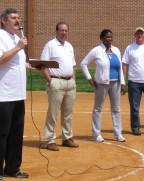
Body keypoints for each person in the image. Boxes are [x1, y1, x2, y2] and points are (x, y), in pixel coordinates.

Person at [80, 29, 126, 142]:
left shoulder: (116, 50)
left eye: (111, 37)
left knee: (116, 109)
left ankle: (118, 134)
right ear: (102, 38)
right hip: (101, 83)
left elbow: (120, 68)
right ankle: (96, 134)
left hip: (116, 83)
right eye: (107, 37)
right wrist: (89, 79)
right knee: (98, 108)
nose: (110, 39)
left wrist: (123, 82)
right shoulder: (96, 50)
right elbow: (83, 63)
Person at [39, 22, 78, 151]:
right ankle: (49, 140)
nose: (64, 33)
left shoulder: (69, 46)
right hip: (56, 82)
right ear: (56, 31)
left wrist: (73, 79)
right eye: (61, 30)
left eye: (66, 30)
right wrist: (50, 81)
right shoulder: (50, 45)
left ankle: (67, 138)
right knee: (53, 113)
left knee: (68, 113)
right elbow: (42, 65)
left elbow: (72, 65)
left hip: (69, 83)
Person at [0, 8, 29, 179]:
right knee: (2, 135)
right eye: (13, 18)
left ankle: (12, 168)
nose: (17, 20)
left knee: (16, 134)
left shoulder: (17, 38)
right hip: (3, 96)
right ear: (3, 21)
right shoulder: (1, 37)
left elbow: (18, 64)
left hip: (18, 95)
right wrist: (18, 47)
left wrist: (34, 66)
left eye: (18, 17)